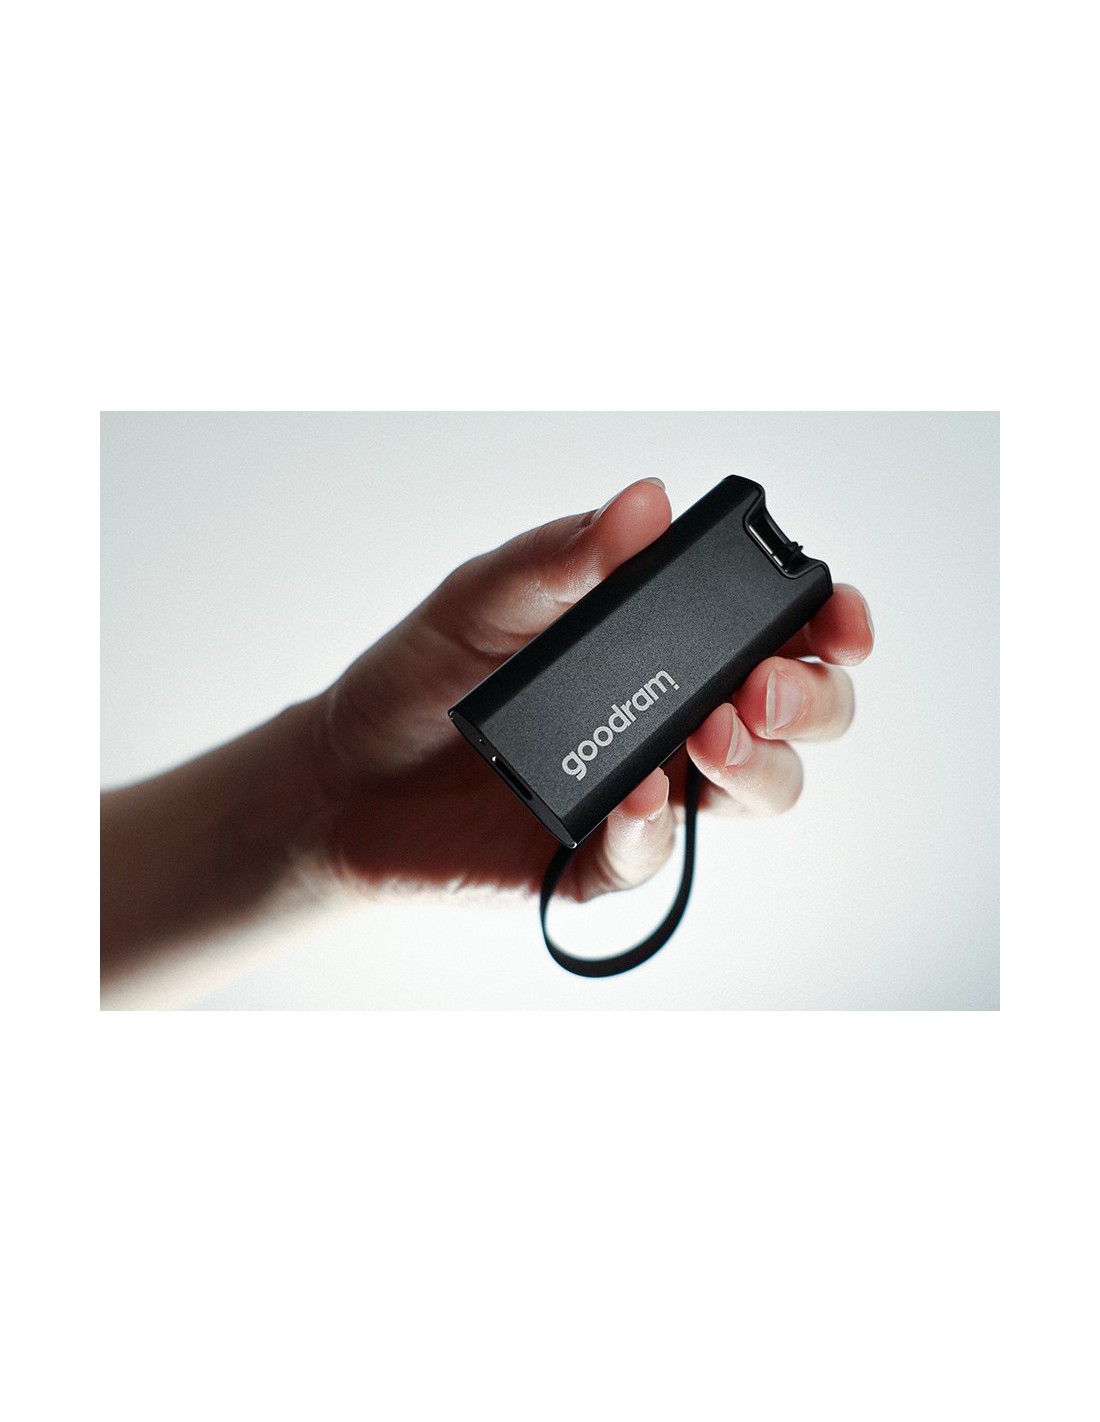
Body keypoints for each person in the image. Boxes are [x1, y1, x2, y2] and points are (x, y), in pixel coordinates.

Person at [101, 478, 874, 1002]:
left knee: (729, 723)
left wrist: (322, 805)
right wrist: (321, 789)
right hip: (487, 751)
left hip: (458, 775)